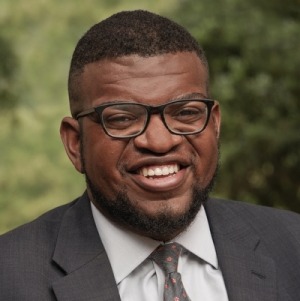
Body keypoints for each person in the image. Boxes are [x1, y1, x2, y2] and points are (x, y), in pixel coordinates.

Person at [0, 10, 300, 301]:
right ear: (75, 143)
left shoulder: (292, 246)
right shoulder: (10, 277)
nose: (159, 142)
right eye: (122, 118)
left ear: (214, 123)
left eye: (186, 113)